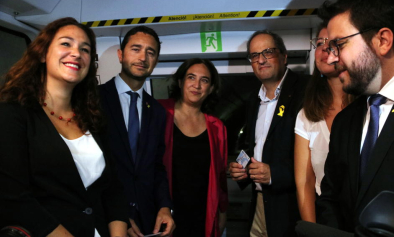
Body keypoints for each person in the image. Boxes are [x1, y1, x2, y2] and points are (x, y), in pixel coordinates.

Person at [0, 17, 128, 236]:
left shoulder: (93, 117)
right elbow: (14, 198)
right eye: (66, 44)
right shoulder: (12, 113)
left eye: (85, 49)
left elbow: (112, 188)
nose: (77, 53)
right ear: (42, 54)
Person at [316, 0, 394, 233]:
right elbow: (330, 197)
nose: (330, 58)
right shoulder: (345, 121)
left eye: (339, 45)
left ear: (382, 41)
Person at [229, 30, 309, 237]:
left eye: (268, 52)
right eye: (255, 55)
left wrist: (275, 174)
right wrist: (240, 166)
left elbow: (319, 155)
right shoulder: (254, 100)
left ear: (284, 56)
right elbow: (250, 145)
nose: (261, 60)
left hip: (294, 206)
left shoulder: (306, 92)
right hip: (260, 205)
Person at [99, 26, 174, 237]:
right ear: (121, 55)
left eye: (151, 52)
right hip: (105, 218)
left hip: (147, 220)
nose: (143, 57)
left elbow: (156, 167)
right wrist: (117, 214)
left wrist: (164, 206)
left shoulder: (158, 111)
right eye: (136, 49)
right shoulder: (94, 100)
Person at [158, 58, 228, 237]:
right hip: (163, 214)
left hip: (202, 216)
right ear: (181, 82)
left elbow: (220, 179)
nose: (196, 85)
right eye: (191, 77)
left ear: (211, 88)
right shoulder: (158, 112)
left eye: (204, 80)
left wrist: (222, 213)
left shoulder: (217, 127)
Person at [294, 23, 353, 222]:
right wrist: (312, 230)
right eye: (320, 43)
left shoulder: (368, 105)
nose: (325, 47)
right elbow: (305, 181)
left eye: (334, 42)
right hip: (325, 216)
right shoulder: (306, 115)